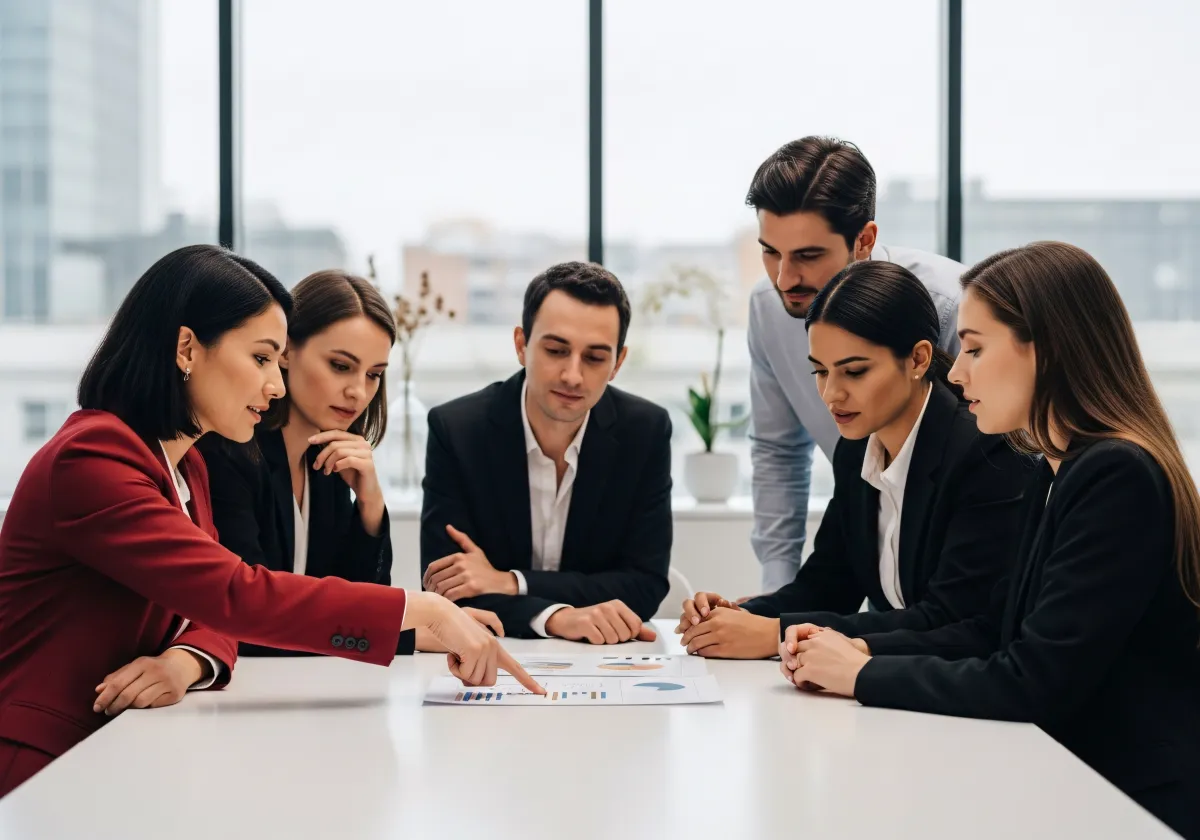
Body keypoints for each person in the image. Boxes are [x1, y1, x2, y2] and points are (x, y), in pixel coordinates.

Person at [0, 245, 541, 798]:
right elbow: (236, 594)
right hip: (46, 763)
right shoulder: (94, 457)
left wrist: (189, 658)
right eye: (261, 359)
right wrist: (421, 609)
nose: (276, 385)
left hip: (127, 749)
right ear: (187, 348)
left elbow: (212, 613)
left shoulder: (185, 467)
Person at [781, 242, 1200, 839]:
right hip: (1066, 775)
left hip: (1127, 800)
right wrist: (855, 651)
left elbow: (1033, 680)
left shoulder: (1116, 475)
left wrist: (861, 674)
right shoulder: (1054, 468)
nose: (957, 372)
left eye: (975, 348)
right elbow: (991, 633)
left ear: (1046, 349)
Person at [676, 262, 1032, 658]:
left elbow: (952, 618)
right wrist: (736, 614)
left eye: (855, 372)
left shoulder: (984, 451)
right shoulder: (856, 450)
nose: (831, 395)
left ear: (917, 359)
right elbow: (828, 585)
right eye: (820, 371)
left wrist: (775, 634)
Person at [196, 270, 502, 657]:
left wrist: (370, 507)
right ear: (286, 351)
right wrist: (406, 634)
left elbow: (353, 601)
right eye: (341, 366)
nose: (359, 391)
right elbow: (248, 619)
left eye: (374, 374)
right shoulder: (229, 454)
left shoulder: (328, 463)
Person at [747, 136, 966, 594]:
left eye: (808, 256)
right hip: (868, 550)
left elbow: (984, 462)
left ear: (864, 240)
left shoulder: (950, 303)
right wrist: (776, 596)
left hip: (956, 567)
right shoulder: (769, 307)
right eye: (770, 252)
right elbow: (778, 451)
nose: (784, 279)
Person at [420, 261, 672, 642]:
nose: (572, 375)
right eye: (556, 350)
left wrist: (509, 582)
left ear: (618, 363)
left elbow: (645, 585)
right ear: (521, 345)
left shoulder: (646, 431)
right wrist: (555, 618)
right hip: (487, 656)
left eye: (594, 358)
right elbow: (446, 590)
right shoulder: (456, 430)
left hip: (602, 661)